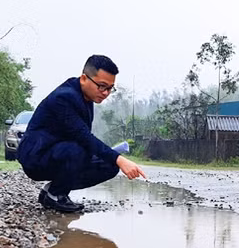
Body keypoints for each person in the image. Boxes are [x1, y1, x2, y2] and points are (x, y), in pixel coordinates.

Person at [18, 55, 146, 213]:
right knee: (82, 149)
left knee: (109, 166)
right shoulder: (64, 97)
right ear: (84, 78)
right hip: (36, 157)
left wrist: (114, 160)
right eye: (102, 86)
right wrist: (120, 159)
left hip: (60, 152)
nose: (105, 93)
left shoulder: (86, 97)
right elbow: (83, 136)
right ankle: (56, 194)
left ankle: (52, 191)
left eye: (110, 88)